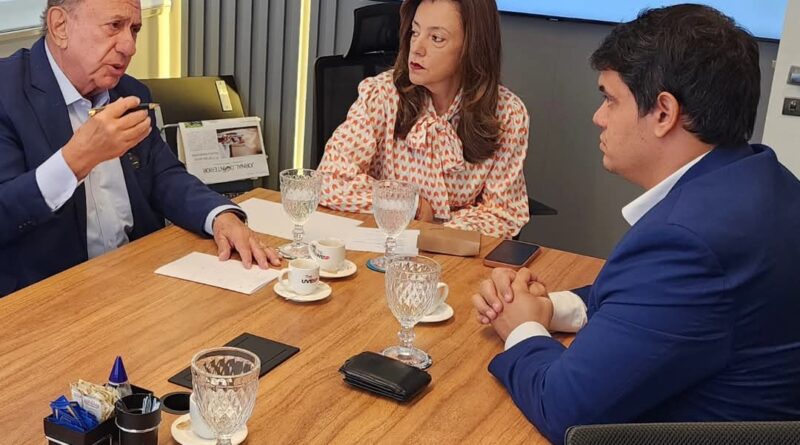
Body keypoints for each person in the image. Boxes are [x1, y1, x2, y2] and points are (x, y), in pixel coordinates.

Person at [472, 5, 800, 444]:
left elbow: (564, 408)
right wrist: (549, 309)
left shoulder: (688, 242)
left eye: (610, 99)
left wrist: (520, 326)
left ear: (663, 112)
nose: (599, 117)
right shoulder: (760, 178)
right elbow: (658, 304)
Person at [0, 0, 280, 297]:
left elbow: (164, 175)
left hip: (138, 279)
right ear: (60, 26)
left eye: (134, 29)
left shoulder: (130, 92)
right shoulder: (7, 93)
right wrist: (76, 159)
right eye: (114, 26)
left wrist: (220, 216)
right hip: (47, 298)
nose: (130, 46)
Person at [317, 0, 530, 238]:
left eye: (436, 38)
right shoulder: (382, 95)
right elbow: (329, 180)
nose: (416, 48)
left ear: (471, 48)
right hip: (386, 245)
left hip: (456, 252)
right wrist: (411, 205)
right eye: (415, 32)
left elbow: (504, 213)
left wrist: (437, 233)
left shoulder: (507, 114)